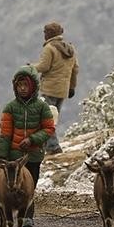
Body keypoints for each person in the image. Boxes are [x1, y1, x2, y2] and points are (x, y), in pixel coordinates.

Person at [0, 65, 56, 227]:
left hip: (33, 155)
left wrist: (32, 140)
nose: (22, 89)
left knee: (30, 186)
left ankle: (28, 215)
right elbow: (5, 133)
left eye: (25, 85)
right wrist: (2, 155)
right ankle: (10, 214)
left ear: (33, 87)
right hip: (14, 156)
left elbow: (49, 129)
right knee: (11, 185)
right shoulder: (10, 107)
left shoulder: (42, 107)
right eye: (19, 85)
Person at [31, 22, 79, 155]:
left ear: (51, 33)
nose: (44, 35)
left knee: (45, 119)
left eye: (45, 32)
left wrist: (30, 67)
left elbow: (44, 66)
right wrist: (72, 87)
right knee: (53, 118)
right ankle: (47, 146)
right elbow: (75, 70)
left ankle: (53, 147)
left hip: (49, 89)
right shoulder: (70, 49)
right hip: (63, 90)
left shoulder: (50, 48)